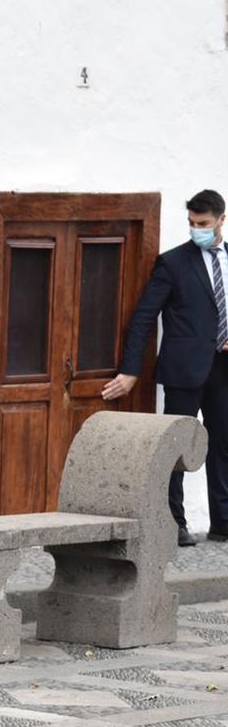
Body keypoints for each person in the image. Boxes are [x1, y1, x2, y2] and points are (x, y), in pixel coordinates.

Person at [107, 189, 228, 545]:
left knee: (223, 443)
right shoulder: (173, 263)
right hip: (184, 370)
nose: (196, 230)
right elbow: (144, 317)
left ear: (221, 219)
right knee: (177, 444)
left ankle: (223, 521)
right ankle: (174, 521)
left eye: (203, 224)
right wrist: (131, 370)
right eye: (191, 223)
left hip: (224, 369)